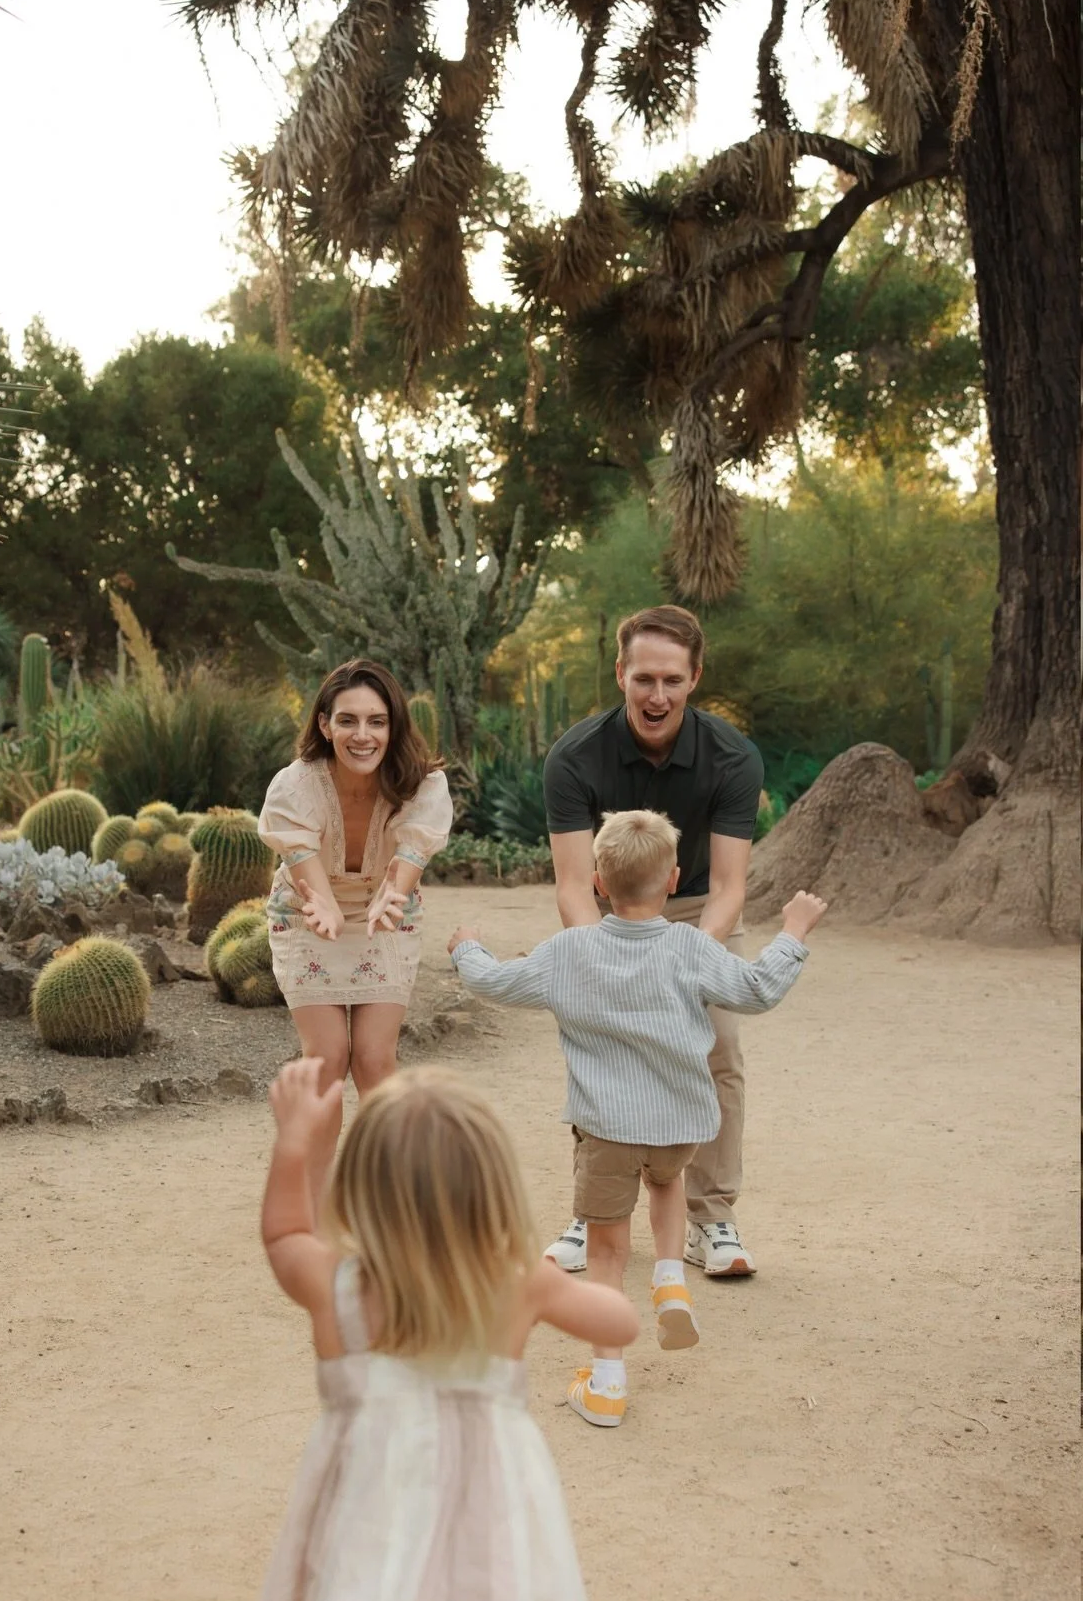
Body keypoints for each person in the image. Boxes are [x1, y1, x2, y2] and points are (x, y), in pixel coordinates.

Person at [234, 1058, 639, 1601]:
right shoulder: (519, 1281)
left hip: (368, 1519)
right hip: (491, 1529)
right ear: (493, 1191)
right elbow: (620, 1320)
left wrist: (294, 1141)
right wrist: (587, 1280)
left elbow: (284, 1232)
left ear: (364, 1190)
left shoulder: (338, 1288)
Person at [448, 810, 826, 1427]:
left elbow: (495, 981)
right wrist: (793, 932)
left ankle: (606, 1382)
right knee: (667, 1183)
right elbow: (758, 990)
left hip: (606, 1131)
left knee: (606, 1252)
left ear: (598, 882)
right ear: (674, 879)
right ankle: (672, 1276)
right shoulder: (691, 948)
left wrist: (466, 945)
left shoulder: (570, 951)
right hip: (679, 1127)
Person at [542, 604, 766, 1278]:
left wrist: (684, 965)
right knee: (602, 1045)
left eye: (672, 679)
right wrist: (608, 967)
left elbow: (729, 885)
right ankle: (595, 1213)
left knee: (717, 1047)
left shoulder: (732, 757)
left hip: (696, 905)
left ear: (695, 677)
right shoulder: (574, 758)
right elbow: (574, 883)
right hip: (606, 906)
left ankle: (712, 1220)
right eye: (644, 678)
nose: (657, 694)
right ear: (621, 674)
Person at [258, 660, 453, 1157]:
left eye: (376, 721)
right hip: (306, 914)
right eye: (347, 720)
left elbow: (406, 863)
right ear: (325, 725)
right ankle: (316, 1204)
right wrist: (323, 905)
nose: (362, 735)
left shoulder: (422, 784)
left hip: (385, 915)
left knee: (373, 1060)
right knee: (325, 1060)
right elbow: (308, 876)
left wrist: (394, 892)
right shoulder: (296, 784)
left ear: (393, 725)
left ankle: (384, 1197)